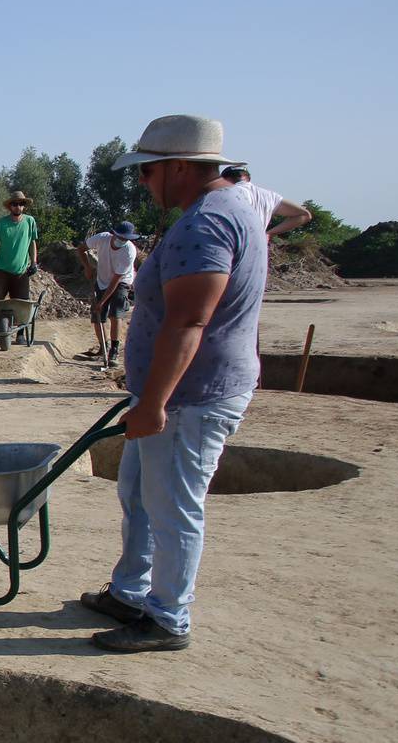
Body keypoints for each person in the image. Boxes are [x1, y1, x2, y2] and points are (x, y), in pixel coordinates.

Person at [78, 115, 268, 653]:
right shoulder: (230, 208)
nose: (142, 183)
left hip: (190, 397)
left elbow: (189, 321)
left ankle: (166, 619)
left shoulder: (206, 223)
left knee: (173, 505)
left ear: (180, 166)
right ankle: (130, 592)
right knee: (138, 492)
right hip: (178, 392)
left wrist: (156, 401)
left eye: (147, 172)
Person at [76, 221, 141, 369]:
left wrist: (102, 302)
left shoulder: (129, 251)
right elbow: (81, 249)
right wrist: (87, 267)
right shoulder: (101, 238)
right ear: (114, 234)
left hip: (122, 281)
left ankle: (114, 350)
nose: (122, 240)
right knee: (97, 316)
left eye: (125, 238)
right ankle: (102, 346)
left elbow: (116, 279)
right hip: (102, 279)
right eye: (120, 237)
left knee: (115, 314)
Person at [221, 167, 312, 239]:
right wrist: (268, 234)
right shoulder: (270, 196)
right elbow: (304, 215)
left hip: (230, 248)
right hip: (257, 249)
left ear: (226, 180)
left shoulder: (226, 192)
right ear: (248, 178)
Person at [0, 191, 39, 301]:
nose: (18, 207)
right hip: (1, 271)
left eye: (21, 204)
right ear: (10, 206)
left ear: (24, 206)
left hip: (21, 273)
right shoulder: (1, 223)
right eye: (14, 204)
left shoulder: (29, 221)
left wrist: (33, 263)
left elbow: (32, 243)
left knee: (22, 304)